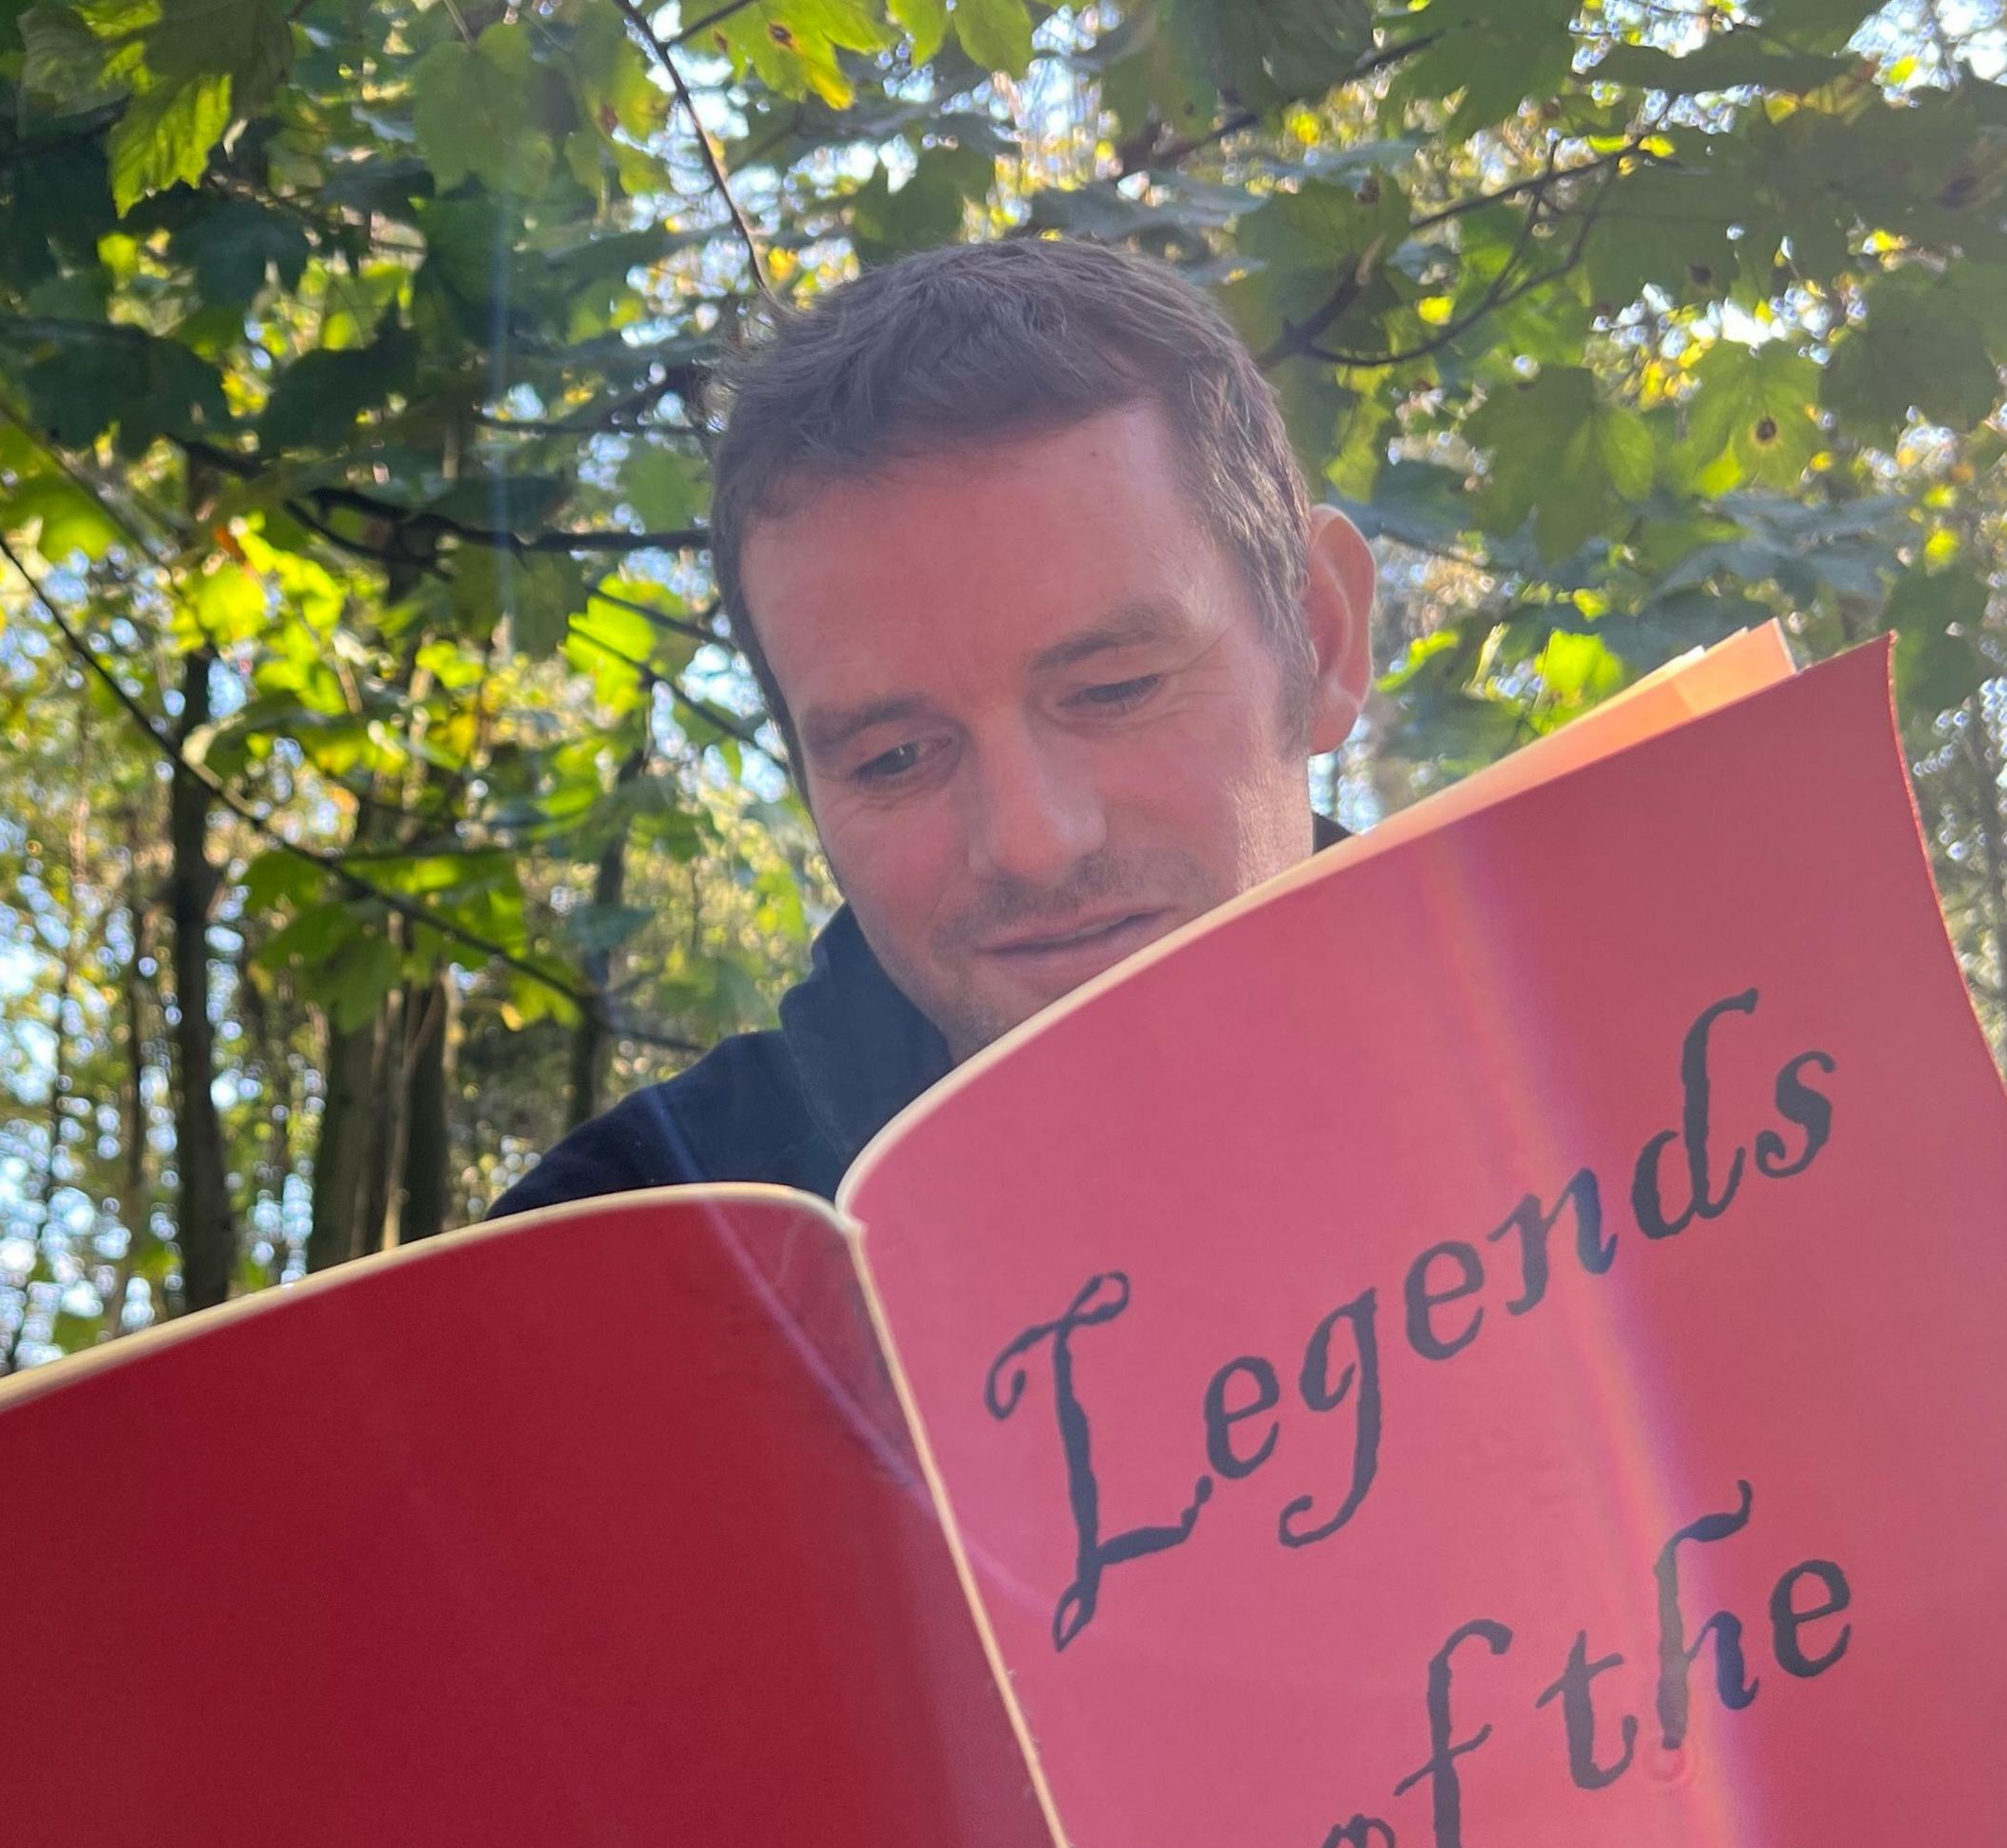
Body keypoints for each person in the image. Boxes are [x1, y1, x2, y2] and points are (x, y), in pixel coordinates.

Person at [493, 236, 1379, 1217]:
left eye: (1114, 689)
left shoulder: (1569, 1048)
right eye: (896, 758)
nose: (1033, 843)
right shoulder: (613, 1256)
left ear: (1321, 638)